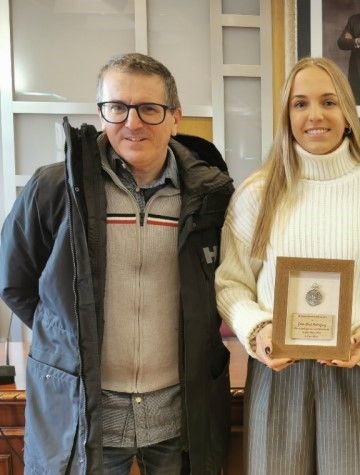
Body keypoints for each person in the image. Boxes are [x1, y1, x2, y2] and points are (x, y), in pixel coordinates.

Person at [0, 53, 234, 474]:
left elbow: (229, 283)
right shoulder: (55, 188)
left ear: (175, 117)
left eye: (149, 108)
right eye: (117, 107)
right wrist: (69, 335)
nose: (132, 122)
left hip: (178, 414)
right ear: (100, 113)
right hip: (85, 414)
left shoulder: (211, 196)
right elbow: (14, 281)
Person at [215, 57, 360, 474]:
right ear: (286, 116)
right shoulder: (256, 193)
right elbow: (231, 284)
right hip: (276, 373)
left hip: (355, 372)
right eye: (300, 104)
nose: (315, 115)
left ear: (347, 113)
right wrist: (258, 330)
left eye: (329, 102)